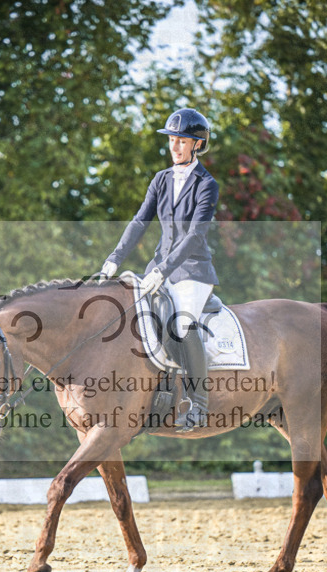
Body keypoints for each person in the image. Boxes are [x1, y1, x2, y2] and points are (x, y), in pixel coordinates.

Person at [100, 107, 219, 432]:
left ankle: (198, 404)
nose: (175, 147)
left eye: (182, 141)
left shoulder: (206, 185)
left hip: (193, 272)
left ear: (197, 144)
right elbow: (140, 221)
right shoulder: (161, 180)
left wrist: (163, 271)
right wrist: (114, 258)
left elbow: (195, 235)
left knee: (181, 324)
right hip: (159, 267)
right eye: (172, 140)